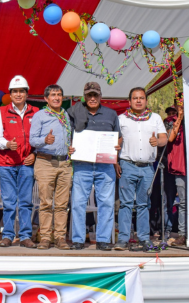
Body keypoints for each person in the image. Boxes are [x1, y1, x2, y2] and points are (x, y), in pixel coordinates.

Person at [68, 82, 122, 251]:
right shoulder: (74, 112)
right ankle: (77, 239)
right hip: (82, 165)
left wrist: (117, 149)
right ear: (84, 96)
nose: (92, 98)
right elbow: (68, 135)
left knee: (106, 203)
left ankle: (103, 240)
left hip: (105, 166)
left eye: (95, 95)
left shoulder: (111, 114)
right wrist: (70, 146)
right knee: (78, 203)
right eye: (89, 95)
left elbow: (119, 137)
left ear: (100, 96)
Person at [113, 87, 168, 252]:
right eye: (135, 98)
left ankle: (144, 238)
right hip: (127, 165)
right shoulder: (121, 119)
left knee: (144, 204)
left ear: (146, 101)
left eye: (141, 98)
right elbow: (114, 142)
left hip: (147, 168)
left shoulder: (155, 118)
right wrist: (115, 162)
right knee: (126, 204)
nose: (138, 101)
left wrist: (157, 142)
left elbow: (164, 138)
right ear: (129, 101)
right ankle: (123, 239)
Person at [0, 75, 38, 248]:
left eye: (21, 91)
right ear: (10, 94)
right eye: (15, 91)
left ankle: (25, 236)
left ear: (26, 94)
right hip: (6, 163)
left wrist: (36, 154)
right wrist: (6, 144)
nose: (18, 94)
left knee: (25, 202)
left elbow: (40, 138)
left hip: (26, 163)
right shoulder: (2, 111)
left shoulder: (36, 112)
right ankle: (8, 235)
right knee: (9, 202)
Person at [29, 84, 73, 250]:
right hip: (45, 162)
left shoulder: (65, 116)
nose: (57, 97)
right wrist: (44, 141)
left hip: (64, 163)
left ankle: (60, 237)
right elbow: (33, 140)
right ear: (46, 99)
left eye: (59, 94)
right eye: (53, 95)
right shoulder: (40, 116)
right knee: (46, 203)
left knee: (62, 204)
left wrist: (70, 147)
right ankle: (45, 237)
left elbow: (66, 138)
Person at [164, 102, 187, 246]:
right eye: (179, 106)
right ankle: (183, 235)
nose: (181, 107)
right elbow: (170, 138)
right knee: (183, 202)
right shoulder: (170, 121)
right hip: (180, 166)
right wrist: (179, 116)